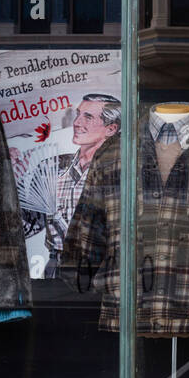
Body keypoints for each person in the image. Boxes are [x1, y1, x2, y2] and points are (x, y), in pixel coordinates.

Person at [45, 94, 121, 277]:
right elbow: (25, 223)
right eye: (78, 115)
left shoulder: (119, 173)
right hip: (56, 270)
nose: (77, 122)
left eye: (88, 117)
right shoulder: (54, 169)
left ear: (111, 129)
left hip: (100, 270)